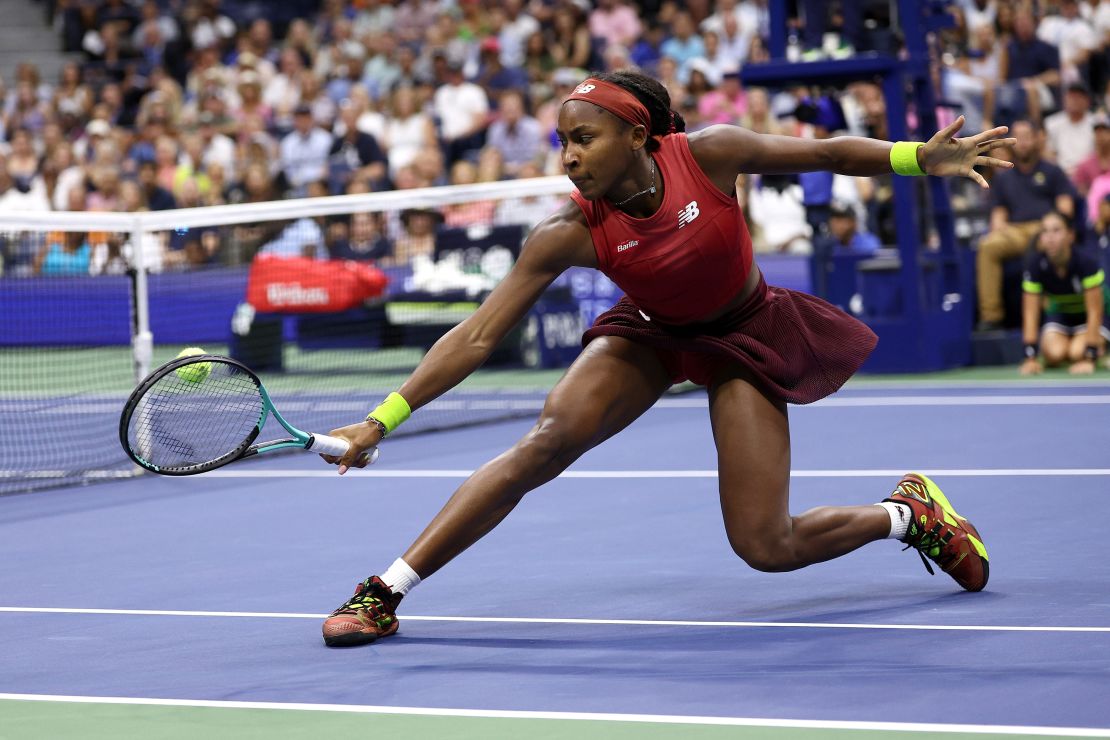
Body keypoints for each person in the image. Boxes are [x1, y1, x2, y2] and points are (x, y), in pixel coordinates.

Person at [317, 70, 1009, 647]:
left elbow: (827, 154)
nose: (568, 157)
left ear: (638, 136)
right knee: (544, 442)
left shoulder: (709, 155)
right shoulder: (568, 231)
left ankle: (909, 514)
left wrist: (920, 157)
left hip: (743, 332)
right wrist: (381, 422)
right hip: (650, 334)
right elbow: (478, 334)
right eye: (562, 142)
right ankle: (384, 593)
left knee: (766, 546)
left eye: (583, 139)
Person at [976, 119, 1076, 330]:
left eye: (1026, 137)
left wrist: (1051, 227)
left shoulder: (1052, 171)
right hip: (1016, 232)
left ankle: (1052, 313)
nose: (1022, 143)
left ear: (1036, 139)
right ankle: (991, 316)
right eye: (1017, 138)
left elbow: (1065, 210)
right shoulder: (1004, 178)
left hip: (1044, 228)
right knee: (987, 246)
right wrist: (1000, 229)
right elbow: (998, 216)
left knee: (1051, 240)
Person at [1020, 210, 1108, 376]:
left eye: (1056, 230)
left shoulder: (1086, 263)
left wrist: (1089, 357)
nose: (1050, 237)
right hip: (1062, 315)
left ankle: (1100, 348)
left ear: (1070, 235)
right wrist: (1030, 358)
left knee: (1077, 353)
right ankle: (1082, 346)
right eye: (1045, 231)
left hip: (1091, 316)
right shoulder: (1035, 265)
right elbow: (1030, 313)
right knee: (1054, 353)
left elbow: (1095, 311)